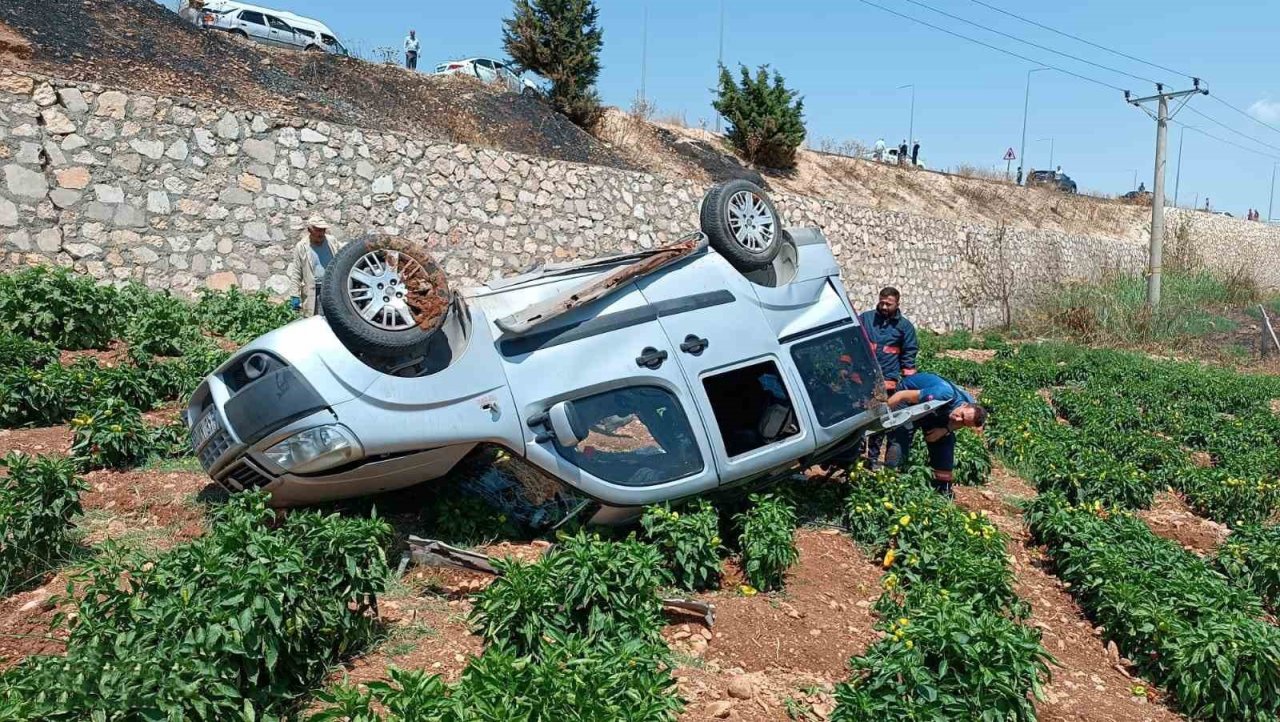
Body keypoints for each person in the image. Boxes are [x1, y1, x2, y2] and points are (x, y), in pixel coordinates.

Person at [886, 372, 988, 497]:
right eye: (961, 415)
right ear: (963, 405)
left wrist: (945, 430)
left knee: (945, 443)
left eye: (964, 423)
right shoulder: (943, 394)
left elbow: (960, 422)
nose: (958, 420)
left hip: (936, 409)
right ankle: (889, 477)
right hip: (909, 399)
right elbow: (901, 395)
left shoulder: (969, 409)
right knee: (901, 436)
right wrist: (879, 414)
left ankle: (942, 489)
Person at [859, 287, 918, 469]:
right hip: (862, 380)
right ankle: (855, 455)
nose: (884, 306)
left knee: (880, 422)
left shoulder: (904, 327)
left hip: (887, 384)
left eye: (888, 304)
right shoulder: (866, 319)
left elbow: (909, 355)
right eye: (882, 302)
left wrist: (909, 384)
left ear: (897, 304)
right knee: (858, 420)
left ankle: (873, 459)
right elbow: (853, 342)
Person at [287, 216, 339, 317]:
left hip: (330, 288)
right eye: (318, 230)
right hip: (314, 291)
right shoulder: (301, 246)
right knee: (315, 320)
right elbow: (297, 273)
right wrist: (294, 296)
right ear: (310, 230)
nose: (321, 233)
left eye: (323, 230)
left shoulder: (332, 241)